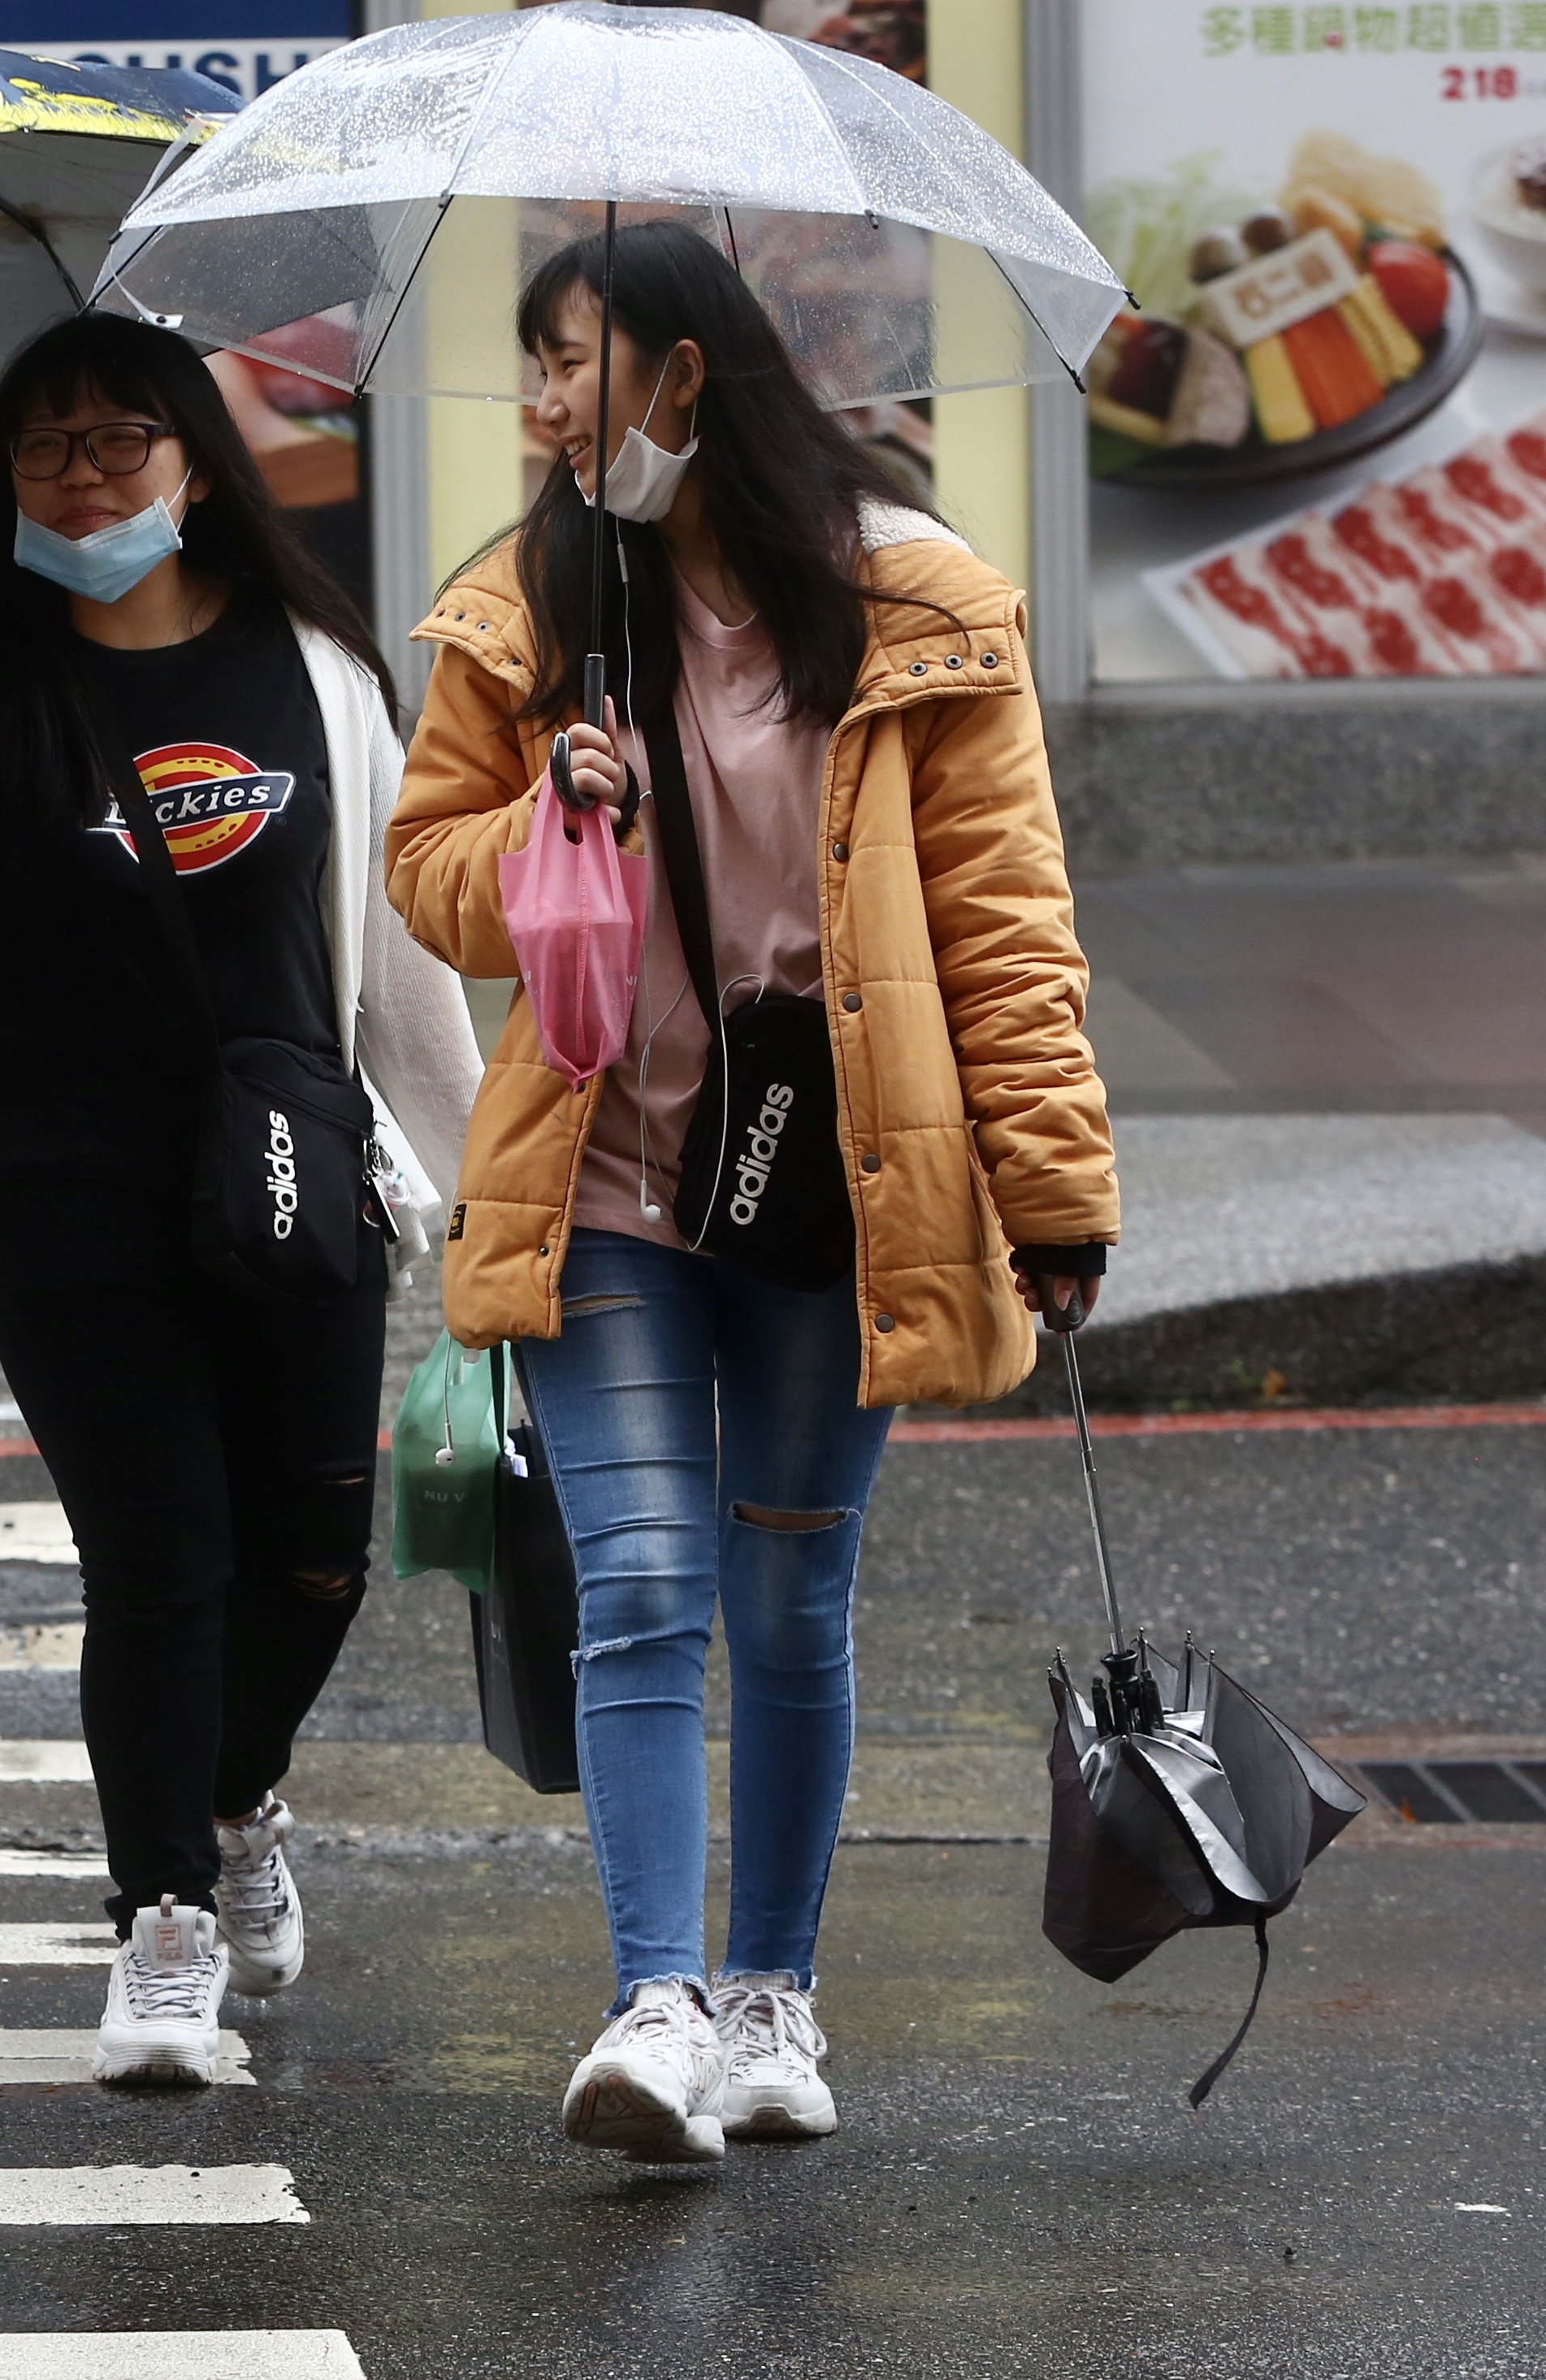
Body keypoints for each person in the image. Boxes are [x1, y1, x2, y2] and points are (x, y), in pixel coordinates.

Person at [384, 224, 1119, 2162]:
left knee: (787, 1592)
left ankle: (771, 1993)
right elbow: (423, 875)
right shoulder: (522, 607)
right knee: (633, 1584)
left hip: (834, 1177)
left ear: (678, 376)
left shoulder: (914, 604)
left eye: (563, 360)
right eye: (528, 365)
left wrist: (1049, 1186)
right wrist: (553, 804)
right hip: (601, 1169)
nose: (538, 402)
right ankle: (650, 1996)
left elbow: (999, 915)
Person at [0, 312, 479, 2085]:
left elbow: (400, 973)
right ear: (5, 483)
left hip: (293, 1176)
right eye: (47, 450)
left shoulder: (322, 674)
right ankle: (164, 1925)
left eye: (125, 442)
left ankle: (234, 1792)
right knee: (158, 1563)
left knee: (321, 1560)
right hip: (65, 1192)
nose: (87, 476)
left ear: (199, 464)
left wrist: (497, 1183)